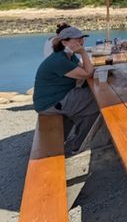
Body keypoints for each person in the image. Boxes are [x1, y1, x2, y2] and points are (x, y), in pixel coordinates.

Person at [33, 26, 99, 154]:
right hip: (51, 103)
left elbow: (84, 69)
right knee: (97, 101)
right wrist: (83, 52)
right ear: (64, 42)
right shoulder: (59, 60)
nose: (81, 42)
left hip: (60, 96)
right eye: (77, 39)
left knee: (92, 102)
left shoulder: (68, 55)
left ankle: (81, 140)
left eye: (82, 39)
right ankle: (79, 144)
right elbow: (87, 73)